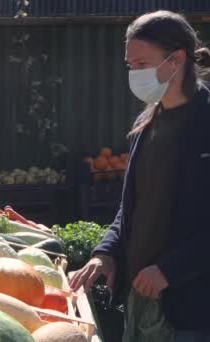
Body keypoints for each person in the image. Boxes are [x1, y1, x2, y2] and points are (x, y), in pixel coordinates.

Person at [69, 11, 210, 341]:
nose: (134, 73)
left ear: (176, 59)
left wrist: (170, 269)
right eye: (130, 65)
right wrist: (106, 252)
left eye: (142, 63)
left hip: (191, 309)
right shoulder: (148, 124)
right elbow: (132, 208)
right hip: (140, 301)